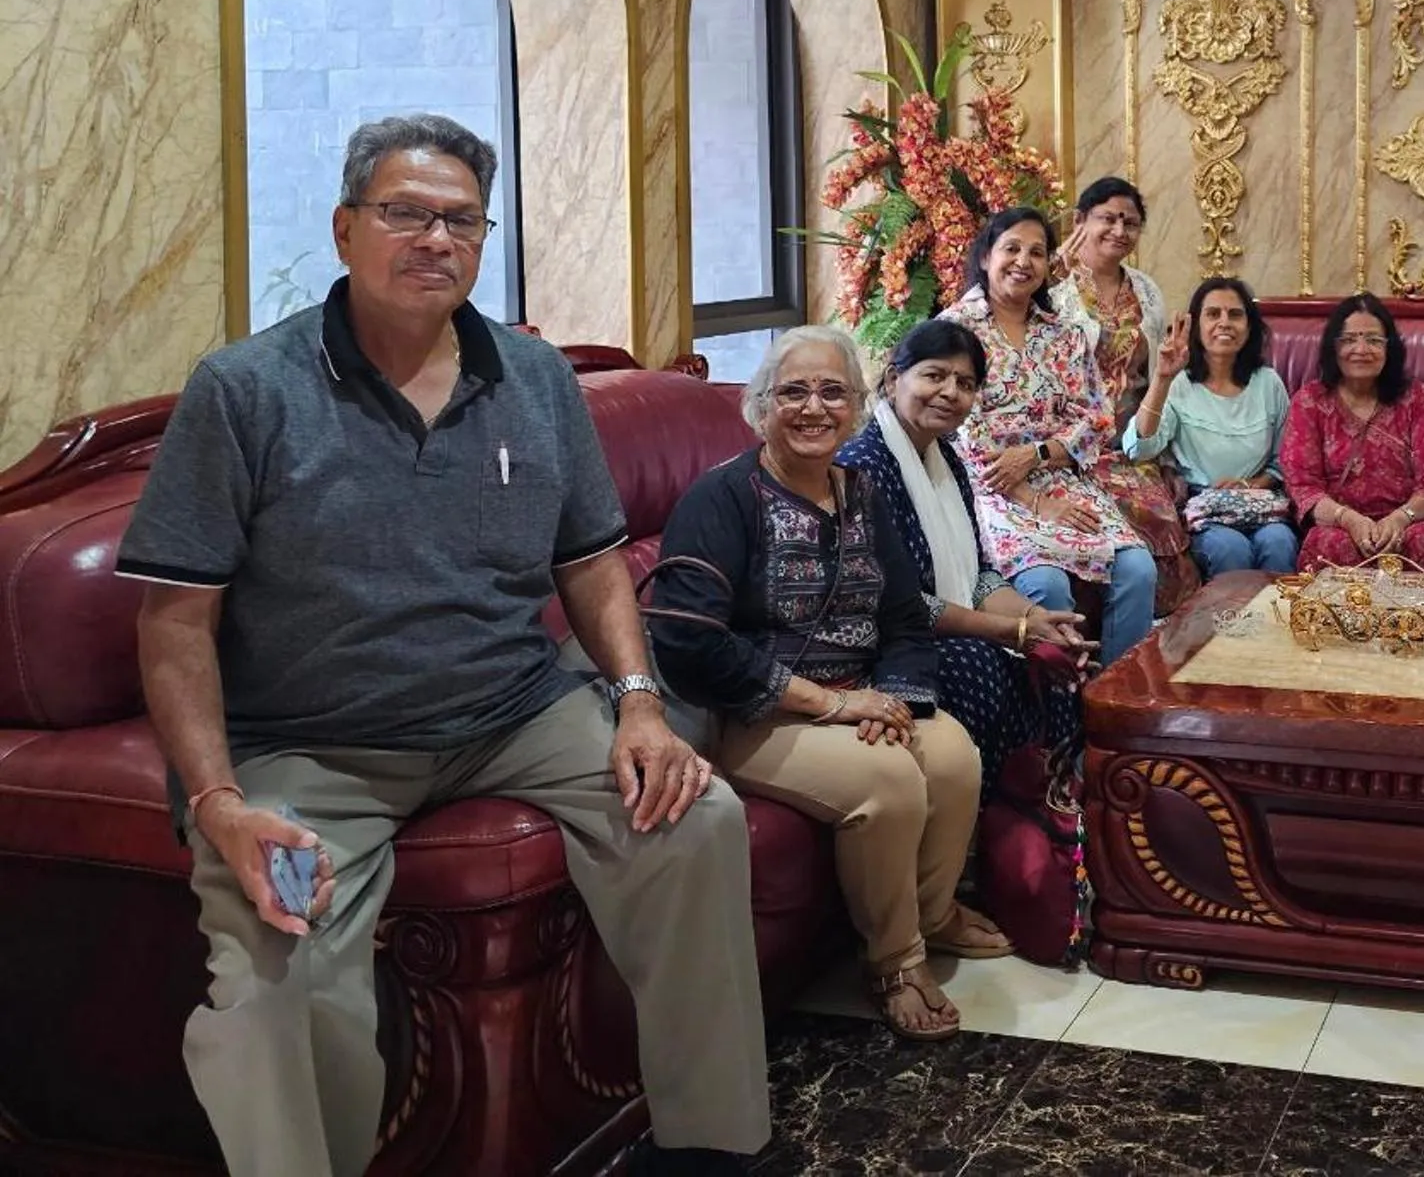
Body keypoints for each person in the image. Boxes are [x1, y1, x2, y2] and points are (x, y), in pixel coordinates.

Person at [116, 114, 765, 1177]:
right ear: (343, 229)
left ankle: (709, 1147)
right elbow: (175, 618)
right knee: (278, 976)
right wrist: (222, 802)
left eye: (461, 220)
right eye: (405, 213)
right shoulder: (244, 392)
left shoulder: (534, 376)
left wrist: (639, 703)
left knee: (695, 822)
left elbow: (594, 558)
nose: (435, 240)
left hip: (516, 711)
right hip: (313, 743)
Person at [649, 325, 1006, 1043]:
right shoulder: (721, 499)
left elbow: (907, 616)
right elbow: (689, 641)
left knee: (953, 756)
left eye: (832, 391)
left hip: (863, 694)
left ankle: (932, 915)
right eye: (794, 392)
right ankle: (896, 962)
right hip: (760, 714)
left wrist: (895, 698)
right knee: (891, 780)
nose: (814, 407)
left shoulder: (863, 493)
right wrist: (832, 704)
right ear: (761, 406)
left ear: (855, 406)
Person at [836, 318, 1089, 807]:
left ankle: (1040, 818)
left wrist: (1035, 620)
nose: (950, 393)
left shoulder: (947, 458)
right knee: (977, 664)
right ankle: (975, 826)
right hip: (882, 644)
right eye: (934, 376)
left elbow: (979, 575)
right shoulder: (864, 464)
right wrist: (1010, 633)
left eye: (966, 384)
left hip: (943, 626)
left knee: (1058, 667)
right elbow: (901, 604)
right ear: (894, 379)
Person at [940, 206, 1158, 665]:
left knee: (1138, 569)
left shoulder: (1064, 334)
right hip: (991, 489)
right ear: (985, 257)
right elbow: (959, 429)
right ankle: (1057, 709)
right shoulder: (954, 330)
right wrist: (1032, 498)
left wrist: (1039, 454)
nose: (1024, 261)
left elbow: (1095, 418)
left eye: (1037, 252)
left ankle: (1113, 700)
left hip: (1061, 479)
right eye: (1012, 249)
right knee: (1047, 584)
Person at [1051, 176, 1195, 614]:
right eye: (1107, 218)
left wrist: (1164, 456)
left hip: (1132, 444)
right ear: (1079, 221)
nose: (1119, 231)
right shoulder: (1052, 286)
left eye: (1130, 223)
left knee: (1165, 516)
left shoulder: (1146, 289)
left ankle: (1161, 645)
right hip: (1070, 446)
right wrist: (1052, 273)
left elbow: (1156, 373)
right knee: (1125, 520)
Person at [1125, 277, 1300, 578]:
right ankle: (1229, 627)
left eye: (1235, 314)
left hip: (1260, 505)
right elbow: (1139, 447)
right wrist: (1163, 378)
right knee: (1231, 549)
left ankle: (1275, 626)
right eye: (1213, 314)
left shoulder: (1268, 383)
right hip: (1206, 510)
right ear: (1196, 325)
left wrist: (1250, 485)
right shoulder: (1180, 383)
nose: (1224, 322)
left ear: (1249, 325)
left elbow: (1285, 460)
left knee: (1280, 543)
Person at [1281, 294, 1424, 570]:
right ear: (1333, 348)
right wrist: (1348, 519)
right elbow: (1302, 485)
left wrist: (1400, 518)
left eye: (1373, 340)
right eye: (1349, 339)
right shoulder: (1310, 401)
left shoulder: (1418, 398)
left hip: (1408, 521)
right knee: (1328, 544)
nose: (1361, 349)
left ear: (1390, 348)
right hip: (1337, 523)